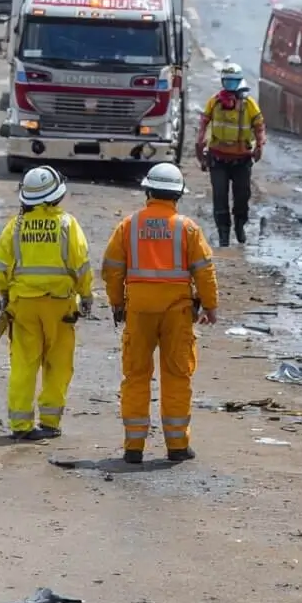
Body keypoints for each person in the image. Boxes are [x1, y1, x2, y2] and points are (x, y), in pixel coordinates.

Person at [101, 163, 218, 464]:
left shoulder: (129, 225)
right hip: (176, 313)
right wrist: (210, 305)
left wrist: (116, 303)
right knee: (177, 375)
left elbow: (112, 269)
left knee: (136, 375)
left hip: (138, 310)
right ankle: (177, 446)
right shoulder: (187, 228)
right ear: (177, 195)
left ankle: (134, 447)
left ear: (148, 191)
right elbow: (204, 270)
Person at [0, 166, 94, 441]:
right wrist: (87, 295)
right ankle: (49, 422)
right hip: (60, 308)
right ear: (56, 195)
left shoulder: (16, 226)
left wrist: (4, 294)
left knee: (24, 364)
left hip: (23, 306)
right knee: (58, 365)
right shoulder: (67, 224)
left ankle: (21, 425)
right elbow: (81, 265)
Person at [196, 63, 266, 247]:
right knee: (220, 197)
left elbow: (259, 126)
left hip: (242, 160)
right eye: (226, 81)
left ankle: (240, 226)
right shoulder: (215, 101)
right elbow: (203, 123)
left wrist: (260, 145)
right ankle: (223, 235)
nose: (229, 85)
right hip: (217, 159)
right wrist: (200, 145)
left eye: (233, 81)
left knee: (242, 197)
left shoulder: (249, 103)